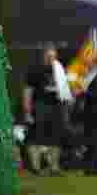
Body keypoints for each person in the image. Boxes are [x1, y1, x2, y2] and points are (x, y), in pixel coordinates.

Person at [23, 45, 72, 176]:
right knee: (36, 137)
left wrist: (67, 104)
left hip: (57, 108)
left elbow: (66, 90)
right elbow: (28, 91)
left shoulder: (60, 70)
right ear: (44, 56)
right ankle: (35, 167)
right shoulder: (35, 70)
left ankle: (54, 168)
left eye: (53, 56)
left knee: (55, 139)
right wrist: (27, 111)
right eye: (49, 56)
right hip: (40, 107)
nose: (51, 58)